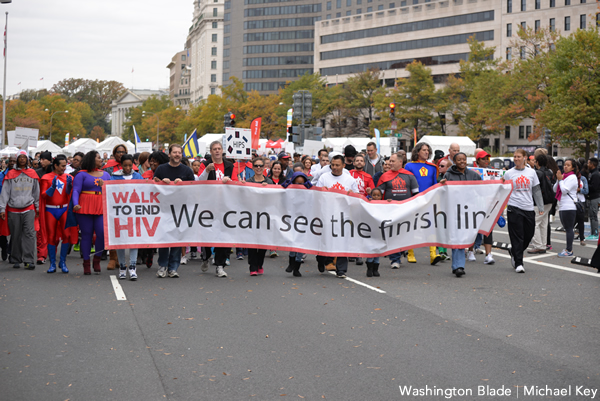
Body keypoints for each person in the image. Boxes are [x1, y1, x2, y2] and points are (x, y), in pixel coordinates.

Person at [153, 144, 195, 278]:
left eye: (179, 152)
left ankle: (173, 267)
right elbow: (153, 185)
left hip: (180, 209)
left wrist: (182, 183)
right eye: (174, 152)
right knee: (164, 238)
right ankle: (162, 265)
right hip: (164, 209)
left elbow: (193, 188)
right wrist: (160, 182)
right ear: (169, 154)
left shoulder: (187, 171)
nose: (177, 155)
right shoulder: (161, 169)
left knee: (177, 238)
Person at [440, 152, 485, 277]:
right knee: (457, 237)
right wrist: (442, 184)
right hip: (455, 211)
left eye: (464, 160)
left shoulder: (474, 175)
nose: (462, 162)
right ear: (454, 161)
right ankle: (459, 266)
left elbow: (483, 189)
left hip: (470, 211)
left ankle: (460, 262)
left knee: (466, 237)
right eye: (459, 160)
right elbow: (441, 190)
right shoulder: (448, 175)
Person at [315, 154, 358, 279]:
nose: (334, 167)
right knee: (325, 241)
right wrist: (321, 190)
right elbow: (316, 194)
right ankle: (321, 258)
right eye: (332, 165)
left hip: (343, 216)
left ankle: (341, 270)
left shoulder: (349, 179)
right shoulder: (324, 177)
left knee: (342, 242)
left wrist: (352, 195)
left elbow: (357, 197)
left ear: (343, 166)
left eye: (337, 165)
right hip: (327, 215)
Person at [502, 149, 545, 273]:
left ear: (525, 158)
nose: (516, 159)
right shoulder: (509, 173)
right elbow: (503, 190)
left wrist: (540, 206)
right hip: (514, 207)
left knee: (529, 234)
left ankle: (514, 251)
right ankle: (519, 263)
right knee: (517, 236)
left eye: (518, 157)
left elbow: (536, 190)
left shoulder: (532, 172)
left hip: (528, 207)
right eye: (514, 157)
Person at [376, 152, 419, 269]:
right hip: (390, 210)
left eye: (392, 161)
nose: (390, 163)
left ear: (400, 162)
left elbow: (416, 194)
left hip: (406, 210)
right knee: (393, 234)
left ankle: (401, 251)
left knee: (404, 234)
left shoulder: (410, 176)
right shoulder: (385, 176)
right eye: (389, 161)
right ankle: (394, 259)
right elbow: (378, 193)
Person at [73, 151, 111, 275]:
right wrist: (75, 203)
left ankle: (97, 259)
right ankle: (86, 263)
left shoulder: (106, 175)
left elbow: (111, 191)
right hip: (84, 207)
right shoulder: (81, 174)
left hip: (101, 206)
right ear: (91, 159)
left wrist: (104, 186)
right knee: (86, 235)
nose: (101, 160)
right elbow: (76, 190)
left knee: (101, 233)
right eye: (99, 158)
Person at [199, 141, 234, 277]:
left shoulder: (229, 165)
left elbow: (234, 182)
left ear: (222, 150)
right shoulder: (205, 164)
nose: (217, 151)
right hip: (208, 204)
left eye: (219, 149)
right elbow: (199, 181)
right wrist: (207, 171)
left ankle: (220, 265)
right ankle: (206, 256)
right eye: (215, 149)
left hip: (224, 205)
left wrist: (229, 180)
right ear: (211, 151)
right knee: (208, 234)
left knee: (223, 235)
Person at [0, 150, 40, 270]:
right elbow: (5, 192)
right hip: (13, 208)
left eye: (24, 157)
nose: (22, 159)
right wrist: (2, 208)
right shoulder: (10, 174)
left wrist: (37, 206)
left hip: (29, 208)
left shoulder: (32, 173)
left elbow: (36, 191)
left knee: (29, 234)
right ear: (17, 159)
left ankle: (28, 260)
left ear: (27, 159)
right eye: (20, 157)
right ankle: (16, 258)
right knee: (16, 235)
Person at [404, 142, 442, 265]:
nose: (426, 152)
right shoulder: (409, 166)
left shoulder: (433, 167)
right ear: (417, 152)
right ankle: (410, 253)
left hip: (429, 200)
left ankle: (433, 254)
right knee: (412, 226)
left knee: (431, 226)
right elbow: (407, 183)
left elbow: (434, 184)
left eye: (427, 150)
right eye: (424, 150)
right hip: (414, 200)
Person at [39, 155, 78, 274]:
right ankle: (52, 264)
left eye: (65, 165)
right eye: (62, 166)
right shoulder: (46, 177)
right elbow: (44, 195)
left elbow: (69, 195)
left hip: (64, 209)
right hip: (50, 210)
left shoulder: (68, 177)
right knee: (51, 237)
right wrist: (51, 188)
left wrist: (70, 187)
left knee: (66, 235)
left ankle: (62, 262)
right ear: (55, 165)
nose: (64, 168)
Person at [111, 154, 143, 280]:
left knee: (134, 240)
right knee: (121, 240)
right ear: (121, 165)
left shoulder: (137, 176)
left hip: (134, 213)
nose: (128, 168)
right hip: (120, 213)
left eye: (130, 165)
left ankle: (132, 267)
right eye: (125, 165)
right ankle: (122, 266)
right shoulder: (114, 177)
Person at [281, 171, 313, 277]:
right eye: (297, 183)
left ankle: (297, 268)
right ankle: (291, 263)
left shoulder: (308, 192)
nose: (299, 186)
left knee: (300, 245)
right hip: (292, 220)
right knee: (292, 243)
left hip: (303, 221)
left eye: (302, 184)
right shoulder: (289, 190)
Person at [528, 154, 555, 254]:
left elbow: (535, 189)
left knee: (534, 223)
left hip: (540, 202)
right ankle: (543, 245)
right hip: (550, 200)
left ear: (537, 162)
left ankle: (538, 245)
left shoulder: (536, 173)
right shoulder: (550, 172)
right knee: (543, 223)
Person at [35, 151, 53, 264]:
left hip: (54, 205)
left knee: (53, 231)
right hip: (40, 204)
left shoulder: (56, 173)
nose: (41, 161)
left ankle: (50, 252)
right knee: (40, 231)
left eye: (43, 159)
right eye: (40, 159)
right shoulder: (36, 173)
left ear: (49, 160)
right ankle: (41, 254)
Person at [365, 187, 384, 277]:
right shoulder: (368, 203)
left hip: (379, 230)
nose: (376, 197)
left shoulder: (383, 204)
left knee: (377, 249)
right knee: (370, 249)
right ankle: (369, 268)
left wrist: (389, 202)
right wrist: (367, 198)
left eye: (378, 195)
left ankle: (375, 268)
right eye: (374, 195)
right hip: (369, 230)